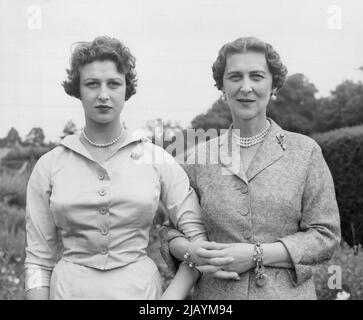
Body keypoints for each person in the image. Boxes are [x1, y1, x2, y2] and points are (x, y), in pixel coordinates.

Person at [23, 36, 236, 300]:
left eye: (113, 84)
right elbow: (37, 261)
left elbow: (197, 242)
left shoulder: (157, 160)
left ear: (126, 89)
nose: (103, 94)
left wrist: (167, 302)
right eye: (92, 84)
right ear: (78, 89)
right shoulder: (49, 166)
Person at [160, 36, 341, 300]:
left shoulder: (305, 152)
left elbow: (325, 236)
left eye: (256, 76)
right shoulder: (197, 158)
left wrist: (255, 254)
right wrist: (191, 250)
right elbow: (168, 231)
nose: (246, 87)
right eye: (235, 77)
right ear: (222, 87)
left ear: (273, 85)